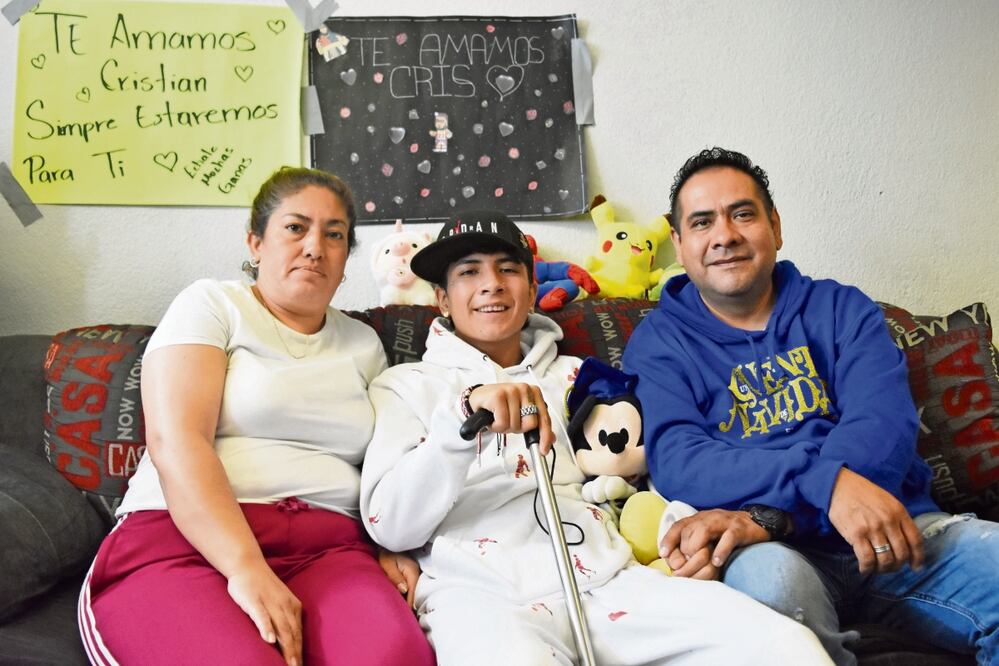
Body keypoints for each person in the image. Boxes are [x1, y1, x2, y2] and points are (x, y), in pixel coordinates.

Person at [359, 210, 831, 665]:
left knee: (783, 644)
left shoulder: (585, 376)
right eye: (468, 272)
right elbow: (390, 526)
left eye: (508, 269)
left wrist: (680, 533)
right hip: (483, 598)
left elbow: (646, 474)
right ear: (442, 298)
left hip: (611, 582)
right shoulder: (404, 386)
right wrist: (458, 428)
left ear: (531, 290)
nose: (491, 284)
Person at [622, 147, 999, 665]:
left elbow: (883, 428)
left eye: (743, 214)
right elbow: (683, 461)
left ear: (775, 226)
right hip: (767, 548)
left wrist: (787, 507)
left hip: (899, 532)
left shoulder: (841, 308)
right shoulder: (658, 342)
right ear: (679, 242)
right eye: (703, 221)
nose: (725, 235)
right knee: (772, 587)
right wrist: (825, 486)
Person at [79, 168, 435, 666]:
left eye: (334, 235)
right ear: (255, 242)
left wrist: (391, 540)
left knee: (395, 658)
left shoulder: (364, 343)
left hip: (330, 548)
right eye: (295, 228)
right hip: (186, 540)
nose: (315, 246)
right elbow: (176, 439)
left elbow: (384, 462)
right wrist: (245, 567)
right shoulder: (212, 304)